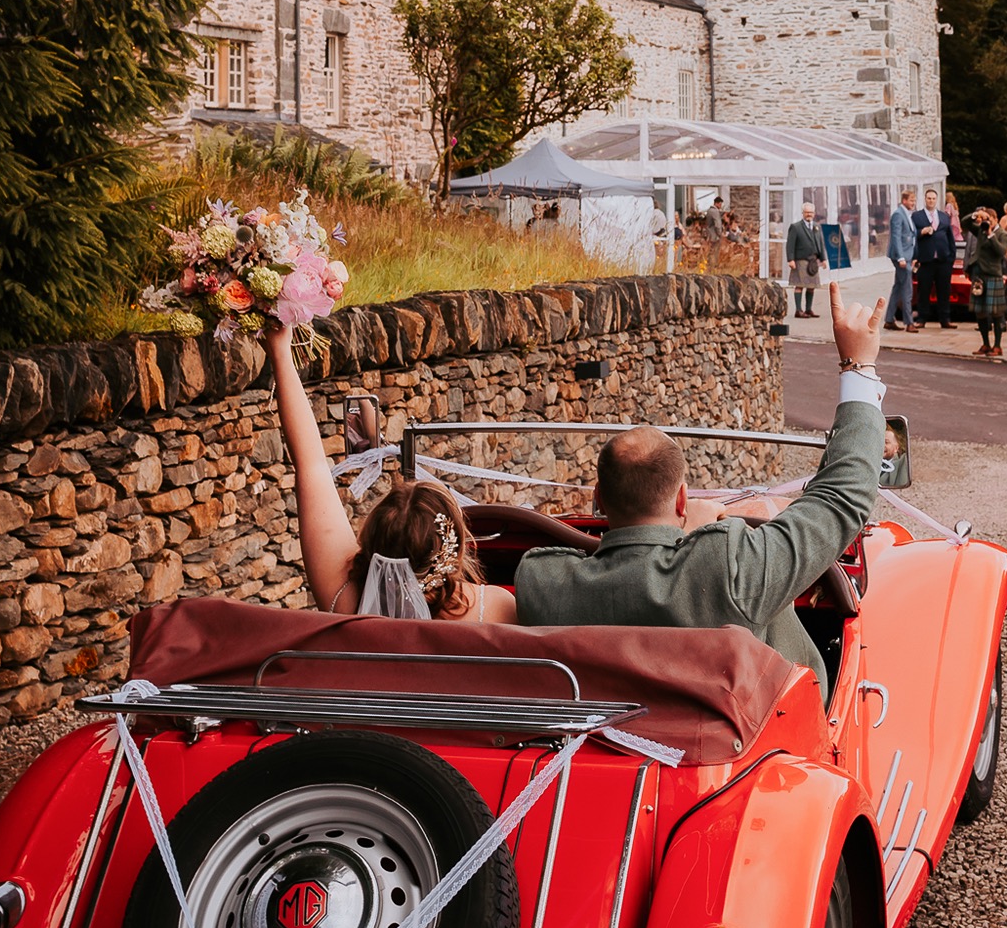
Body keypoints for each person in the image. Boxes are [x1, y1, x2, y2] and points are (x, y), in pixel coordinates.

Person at [513, 283, 888, 690]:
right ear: (682, 499)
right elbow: (841, 496)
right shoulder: (729, 566)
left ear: (598, 499)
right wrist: (858, 364)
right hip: (764, 738)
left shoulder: (543, 584)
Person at [264, 323, 517, 623]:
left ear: (373, 544)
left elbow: (312, 467)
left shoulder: (342, 599)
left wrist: (280, 349)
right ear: (455, 550)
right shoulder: (495, 607)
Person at [964, 206, 1007, 360]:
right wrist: (975, 214)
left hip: (993, 275)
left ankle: (997, 345)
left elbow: (1000, 251)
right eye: (985, 220)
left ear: (995, 219)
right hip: (979, 275)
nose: (986, 222)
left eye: (989, 219)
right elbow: (965, 223)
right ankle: (985, 344)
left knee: (997, 313)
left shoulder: (1003, 234)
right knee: (980, 312)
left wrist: (991, 234)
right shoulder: (980, 230)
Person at [912, 185, 956, 329]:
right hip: (926, 260)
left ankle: (945, 318)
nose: (931, 201)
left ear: (937, 200)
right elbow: (911, 235)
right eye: (929, 198)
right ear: (925, 199)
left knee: (944, 290)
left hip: (943, 260)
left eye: (933, 199)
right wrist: (921, 232)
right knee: (923, 290)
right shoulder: (917, 216)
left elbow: (950, 237)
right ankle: (922, 318)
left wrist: (951, 257)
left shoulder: (943, 216)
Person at [787, 202, 827, 318]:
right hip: (800, 260)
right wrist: (791, 259)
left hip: (813, 261)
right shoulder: (796, 227)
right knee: (799, 285)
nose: (809, 214)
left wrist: (823, 259)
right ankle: (798, 310)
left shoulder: (817, 226)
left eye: (811, 212)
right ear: (803, 213)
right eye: (807, 212)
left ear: (814, 214)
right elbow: (790, 244)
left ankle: (808, 309)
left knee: (811, 286)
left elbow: (820, 243)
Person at [885, 189, 917, 332]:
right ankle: (909, 322)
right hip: (902, 257)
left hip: (907, 255)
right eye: (911, 200)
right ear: (904, 200)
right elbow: (896, 237)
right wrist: (901, 257)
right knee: (907, 289)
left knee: (898, 287)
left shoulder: (906, 214)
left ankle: (889, 319)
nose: (913, 203)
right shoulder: (898, 214)